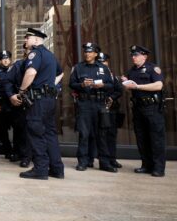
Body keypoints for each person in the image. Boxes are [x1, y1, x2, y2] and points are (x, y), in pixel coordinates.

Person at [12, 28, 64, 180]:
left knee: (35, 132)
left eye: (27, 38)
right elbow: (60, 73)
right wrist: (50, 85)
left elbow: (30, 73)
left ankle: (41, 169)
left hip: (39, 101)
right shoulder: (51, 55)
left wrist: (21, 91)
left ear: (35, 40)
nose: (25, 41)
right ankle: (57, 169)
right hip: (49, 100)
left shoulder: (36, 53)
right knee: (50, 134)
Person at [69, 43, 115, 172]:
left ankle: (104, 163)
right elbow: (71, 84)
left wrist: (102, 86)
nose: (87, 54)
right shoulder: (78, 68)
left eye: (90, 52)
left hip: (99, 103)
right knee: (84, 133)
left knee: (101, 134)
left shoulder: (103, 68)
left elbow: (111, 85)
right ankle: (83, 162)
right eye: (86, 52)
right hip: (84, 104)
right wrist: (82, 85)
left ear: (95, 54)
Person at [122, 45, 165, 177]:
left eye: (136, 55)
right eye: (132, 55)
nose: (133, 57)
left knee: (155, 138)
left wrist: (138, 86)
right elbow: (128, 88)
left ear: (144, 56)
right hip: (138, 108)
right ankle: (146, 165)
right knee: (141, 138)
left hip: (152, 108)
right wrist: (125, 83)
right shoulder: (132, 71)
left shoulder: (153, 69)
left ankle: (158, 168)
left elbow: (159, 85)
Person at [96, 52, 123, 169]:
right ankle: (104, 161)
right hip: (100, 108)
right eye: (101, 62)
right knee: (102, 135)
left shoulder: (112, 76)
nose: (103, 64)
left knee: (112, 135)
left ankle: (112, 159)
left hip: (111, 108)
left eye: (105, 62)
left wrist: (112, 97)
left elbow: (119, 90)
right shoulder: (95, 75)